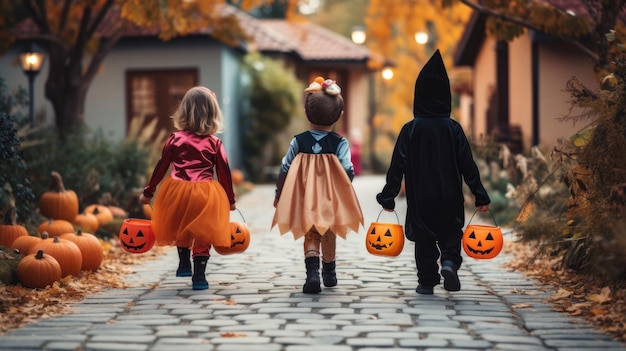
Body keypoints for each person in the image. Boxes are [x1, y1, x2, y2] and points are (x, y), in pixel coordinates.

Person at [376, 50, 490, 295]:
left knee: (425, 239)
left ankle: (427, 281)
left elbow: (397, 165)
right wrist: (480, 195)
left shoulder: (410, 129)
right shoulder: (453, 129)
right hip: (450, 194)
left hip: (420, 197)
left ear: (419, 96)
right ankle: (449, 262)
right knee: (450, 232)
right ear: (445, 96)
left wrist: (388, 195)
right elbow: (467, 164)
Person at [139, 86, 236, 291]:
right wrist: (230, 199)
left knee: (180, 224)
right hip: (205, 193)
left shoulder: (175, 139)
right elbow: (224, 172)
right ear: (213, 114)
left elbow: (161, 166)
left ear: (184, 111)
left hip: (177, 190)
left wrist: (148, 192)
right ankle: (199, 276)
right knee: (203, 232)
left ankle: (184, 264)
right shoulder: (215, 143)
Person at [272, 77, 364, 294]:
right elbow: (347, 170)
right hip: (330, 198)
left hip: (305, 197)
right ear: (339, 116)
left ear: (305, 112)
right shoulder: (339, 143)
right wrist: (344, 190)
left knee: (311, 233)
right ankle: (329, 272)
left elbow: (285, 167)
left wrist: (279, 193)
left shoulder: (298, 141)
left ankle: (312, 273)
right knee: (329, 230)